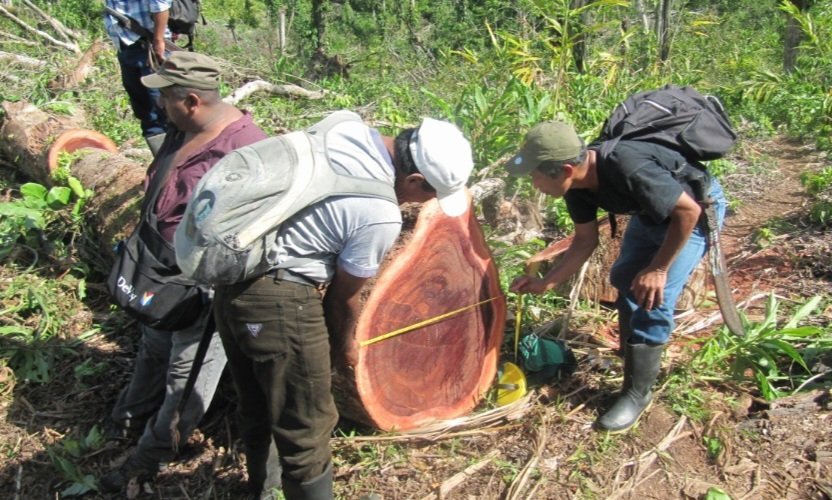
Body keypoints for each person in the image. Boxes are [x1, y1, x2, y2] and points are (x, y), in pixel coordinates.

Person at [212, 112, 474, 499]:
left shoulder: (344, 127)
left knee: (257, 399)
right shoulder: (380, 214)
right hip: (279, 301)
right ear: (414, 180)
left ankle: (263, 489)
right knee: (308, 421)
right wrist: (344, 346)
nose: (424, 203)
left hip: (232, 280)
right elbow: (343, 297)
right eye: (429, 194)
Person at [100, 51, 268, 493]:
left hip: (202, 290)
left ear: (192, 100)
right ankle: (127, 419)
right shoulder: (184, 129)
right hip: (161, 274)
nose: (158, 105)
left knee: (186, 378)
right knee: (152, 349)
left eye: (166, 97)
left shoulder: (247, 152)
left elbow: (250, 234)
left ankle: (148, 458)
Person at [505, 120, 726, 433]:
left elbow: (688, 212)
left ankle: (637, 393)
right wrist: (546, 282)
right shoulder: (576, 187)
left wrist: (658, 269)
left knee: (653, 299)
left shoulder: (627, 167)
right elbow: (585, 241)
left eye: (535, 175)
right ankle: (630, 352)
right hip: (650, 213)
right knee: (624, 276)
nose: (534, 183)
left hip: (691, 214)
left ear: (565, 170)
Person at [104, 0, 172, 156]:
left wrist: (158, 41)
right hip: (125, 45)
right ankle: (162, 161)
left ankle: (179, 160)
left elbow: (160, 5)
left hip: (149, 47)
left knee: (163, 109)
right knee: (145, 112)